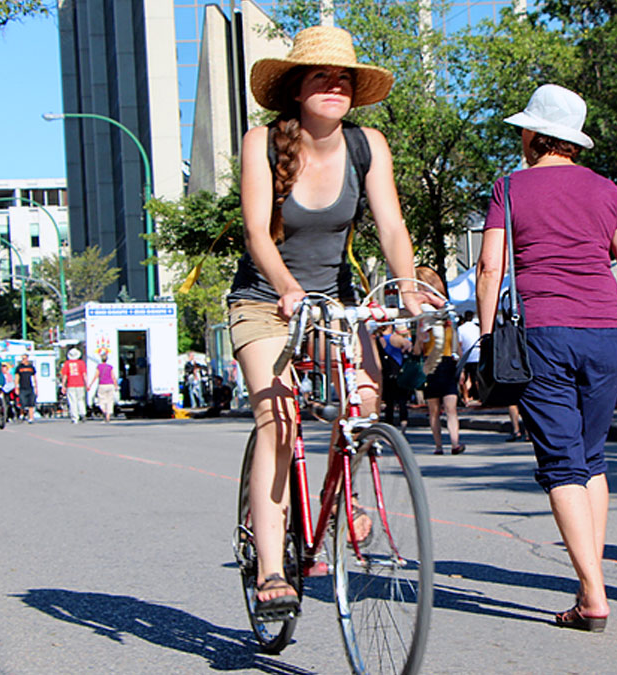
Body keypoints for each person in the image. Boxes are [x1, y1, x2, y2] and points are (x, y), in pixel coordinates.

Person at [227, 25, 424, 618]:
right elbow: (257, 232)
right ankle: (270, 571)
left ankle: (343, 498)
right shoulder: (261, 142)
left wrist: (411, 289)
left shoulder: (369, 145)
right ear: (296, 88)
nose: (335, 86)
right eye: (322, 76)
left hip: (334, 302)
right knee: (280, 422)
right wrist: (286, 287)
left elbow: (390, 226)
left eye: (344, 78)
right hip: (265, 300)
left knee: (364, 401)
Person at [476, 84, 617, 631]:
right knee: (591, 458)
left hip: (543, 333)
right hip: (607, 331)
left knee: (562, 464)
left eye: (522, 131)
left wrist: (489, 342)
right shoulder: (607, 190)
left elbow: (491, 269)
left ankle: (593, 593)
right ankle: (590, 583)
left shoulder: (508, 188)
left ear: (536, 135)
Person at [415, 265, 464, 455]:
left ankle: (454, 443)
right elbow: (418, 348)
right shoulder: (424, 315)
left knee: (451, 407)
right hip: (431, 362)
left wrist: (461, 366)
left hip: (448, 362)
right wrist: (419, 336)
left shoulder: (447, 313)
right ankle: (438, 445)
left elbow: (456, 342)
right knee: (434, 408)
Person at [377, 321, 412, 433]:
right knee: (402, 402)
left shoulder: (378, 340)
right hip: (398, 371)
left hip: (385, 374)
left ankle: (389, 426)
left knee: (389, 403)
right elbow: (408, 345)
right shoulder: (395, 338)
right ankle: (403, 424)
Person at [457, 311, 480, 406]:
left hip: (466, 356)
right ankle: (480, 397)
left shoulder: (460, 329)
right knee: (477, 378)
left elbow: (459, 343)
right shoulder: (477, 328)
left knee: (464, 378)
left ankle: (466, 398)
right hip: (477, 355)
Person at [88, 351, 117, 423]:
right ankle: (108, 415)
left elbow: (96, 376)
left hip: (102, 384)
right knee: (110, 400)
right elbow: (113, 377)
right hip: (110, 385)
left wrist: (90, 384)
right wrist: (116, 385)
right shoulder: (110, 367)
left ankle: (104, 411)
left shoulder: (99, 367)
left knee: (101, 400)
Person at [61, 347, 87, 423]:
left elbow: (65, 375)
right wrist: (87, 384)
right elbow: (84, 374)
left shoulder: (67, 363)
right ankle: (82, 413)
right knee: (80, 400)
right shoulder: (81, 363)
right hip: (80, 384)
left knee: (72, 401)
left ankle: (75, 417)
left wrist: (63, 385)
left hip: (71, 384)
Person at [14, 353, 38, 424]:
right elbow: (16, 378)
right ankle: (22, 414)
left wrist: (36, 388)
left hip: (30, 387)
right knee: (22, 402)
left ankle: (31, 418)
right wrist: (16, 387)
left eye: (24, 358)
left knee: (31, 403)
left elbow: (34, 378)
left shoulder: (31, 367)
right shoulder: (19, 368)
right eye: (22, 358)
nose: (23, 360)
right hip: (22, 387)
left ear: (27, 359)